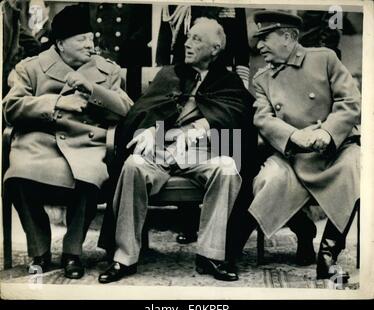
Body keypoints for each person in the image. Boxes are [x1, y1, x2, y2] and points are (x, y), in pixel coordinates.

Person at [98, 17, 256, 284]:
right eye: (188, 37)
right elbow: (145, 109)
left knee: (228, 168)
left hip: (203, 153)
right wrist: (150, 129)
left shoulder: (227, 81)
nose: (188, 43)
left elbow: (238, 114)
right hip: (160, 149)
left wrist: (205, 124)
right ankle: (124, 256)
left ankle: (211, 255)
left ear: (215, 48)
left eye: (197, 39)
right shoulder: (169, 74)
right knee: (133, 165)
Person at [2, 4, 133, 279]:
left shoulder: (106, 71)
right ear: (61, 43)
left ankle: (73, 252)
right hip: (40, 142)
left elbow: (125, 108)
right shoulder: (32, 67)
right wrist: (59, 103)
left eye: (91, 38)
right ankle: (39, 251)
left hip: (85, 143)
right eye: (81, 39)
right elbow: (11, 107)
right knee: (17, 177)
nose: (90, 45)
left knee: (90, 175)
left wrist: (93, 90)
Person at [237, 10, 360, 281]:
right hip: (292, 154)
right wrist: (294, 136)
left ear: (288, 37)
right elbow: (263, 119)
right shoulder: (263, 79)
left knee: (355, 167)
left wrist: (327, 133)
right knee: (267, 180)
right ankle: (304, 231)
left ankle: (328, 254)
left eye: (265, 38)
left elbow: (350, 102)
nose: (259, 46)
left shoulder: (325, 58)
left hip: (334, 150)